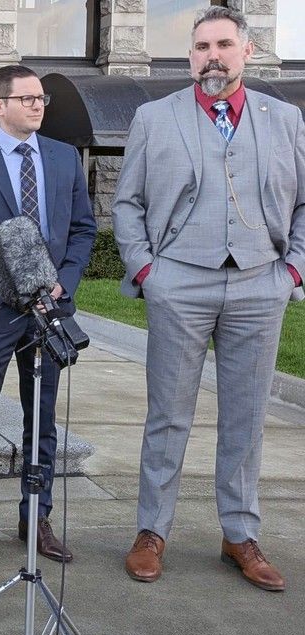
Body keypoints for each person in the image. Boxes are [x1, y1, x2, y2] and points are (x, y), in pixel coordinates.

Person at [113, 6, 304, 591]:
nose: (211, 56)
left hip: (259, 282)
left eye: (223, 44)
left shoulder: (286, 119)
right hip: (178, 282)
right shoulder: (154, 116)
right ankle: (152, 531)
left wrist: (292, 270)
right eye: (201, 47)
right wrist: (147, 270)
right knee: (168, 414)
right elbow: (128, 204)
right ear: (190, 55)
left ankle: (240, 534)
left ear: (247, 51)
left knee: (246, 416)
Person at [0, 65, 95, 567]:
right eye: (28, 98)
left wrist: (64, 281)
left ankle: (36, 516)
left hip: (50, 313)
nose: (38, 105)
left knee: (43, 422)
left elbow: (83, 230)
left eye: (42, 99)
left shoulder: (61, 158)